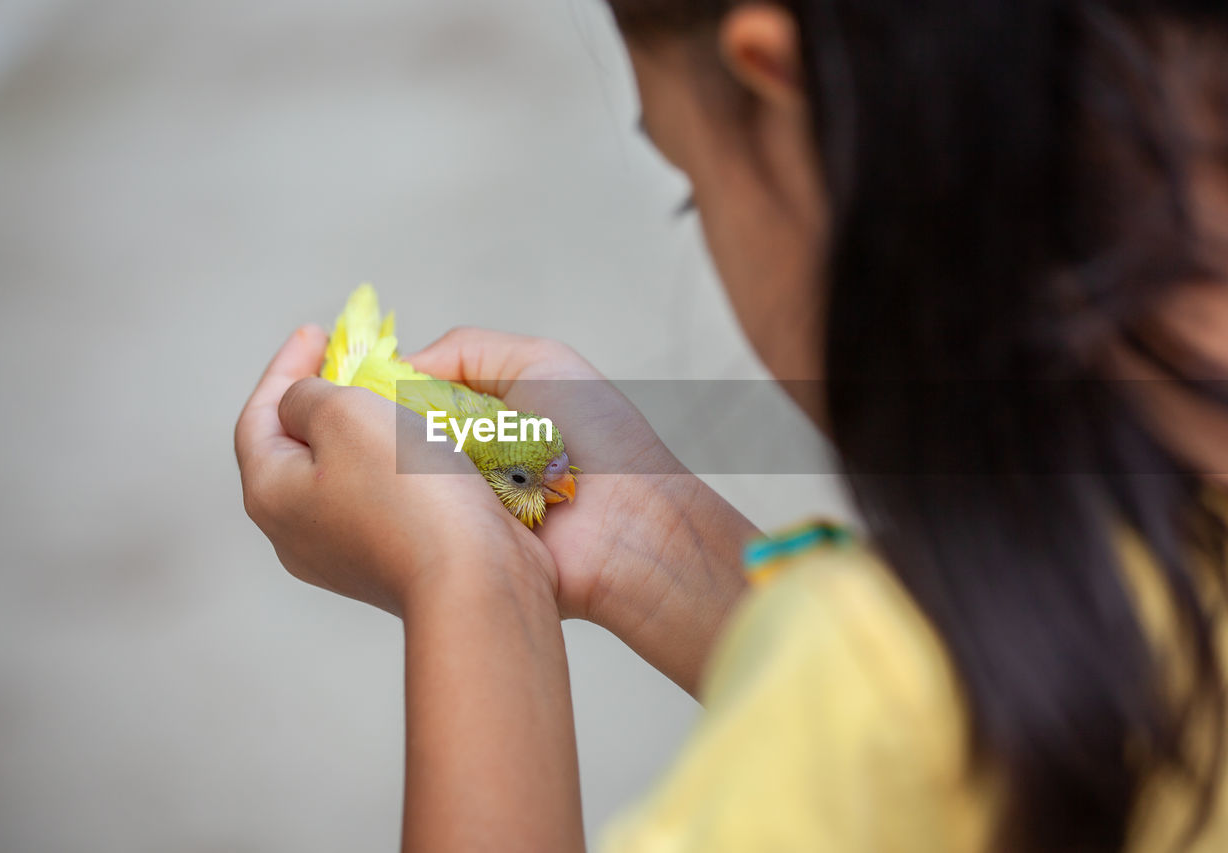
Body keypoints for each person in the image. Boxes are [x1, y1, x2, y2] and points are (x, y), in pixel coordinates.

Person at [233, 1, 1228, 850]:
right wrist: (653, 545)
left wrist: (467, 583)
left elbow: (894, 713)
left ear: (773, 81)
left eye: (690, 189)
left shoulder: (861, 686)